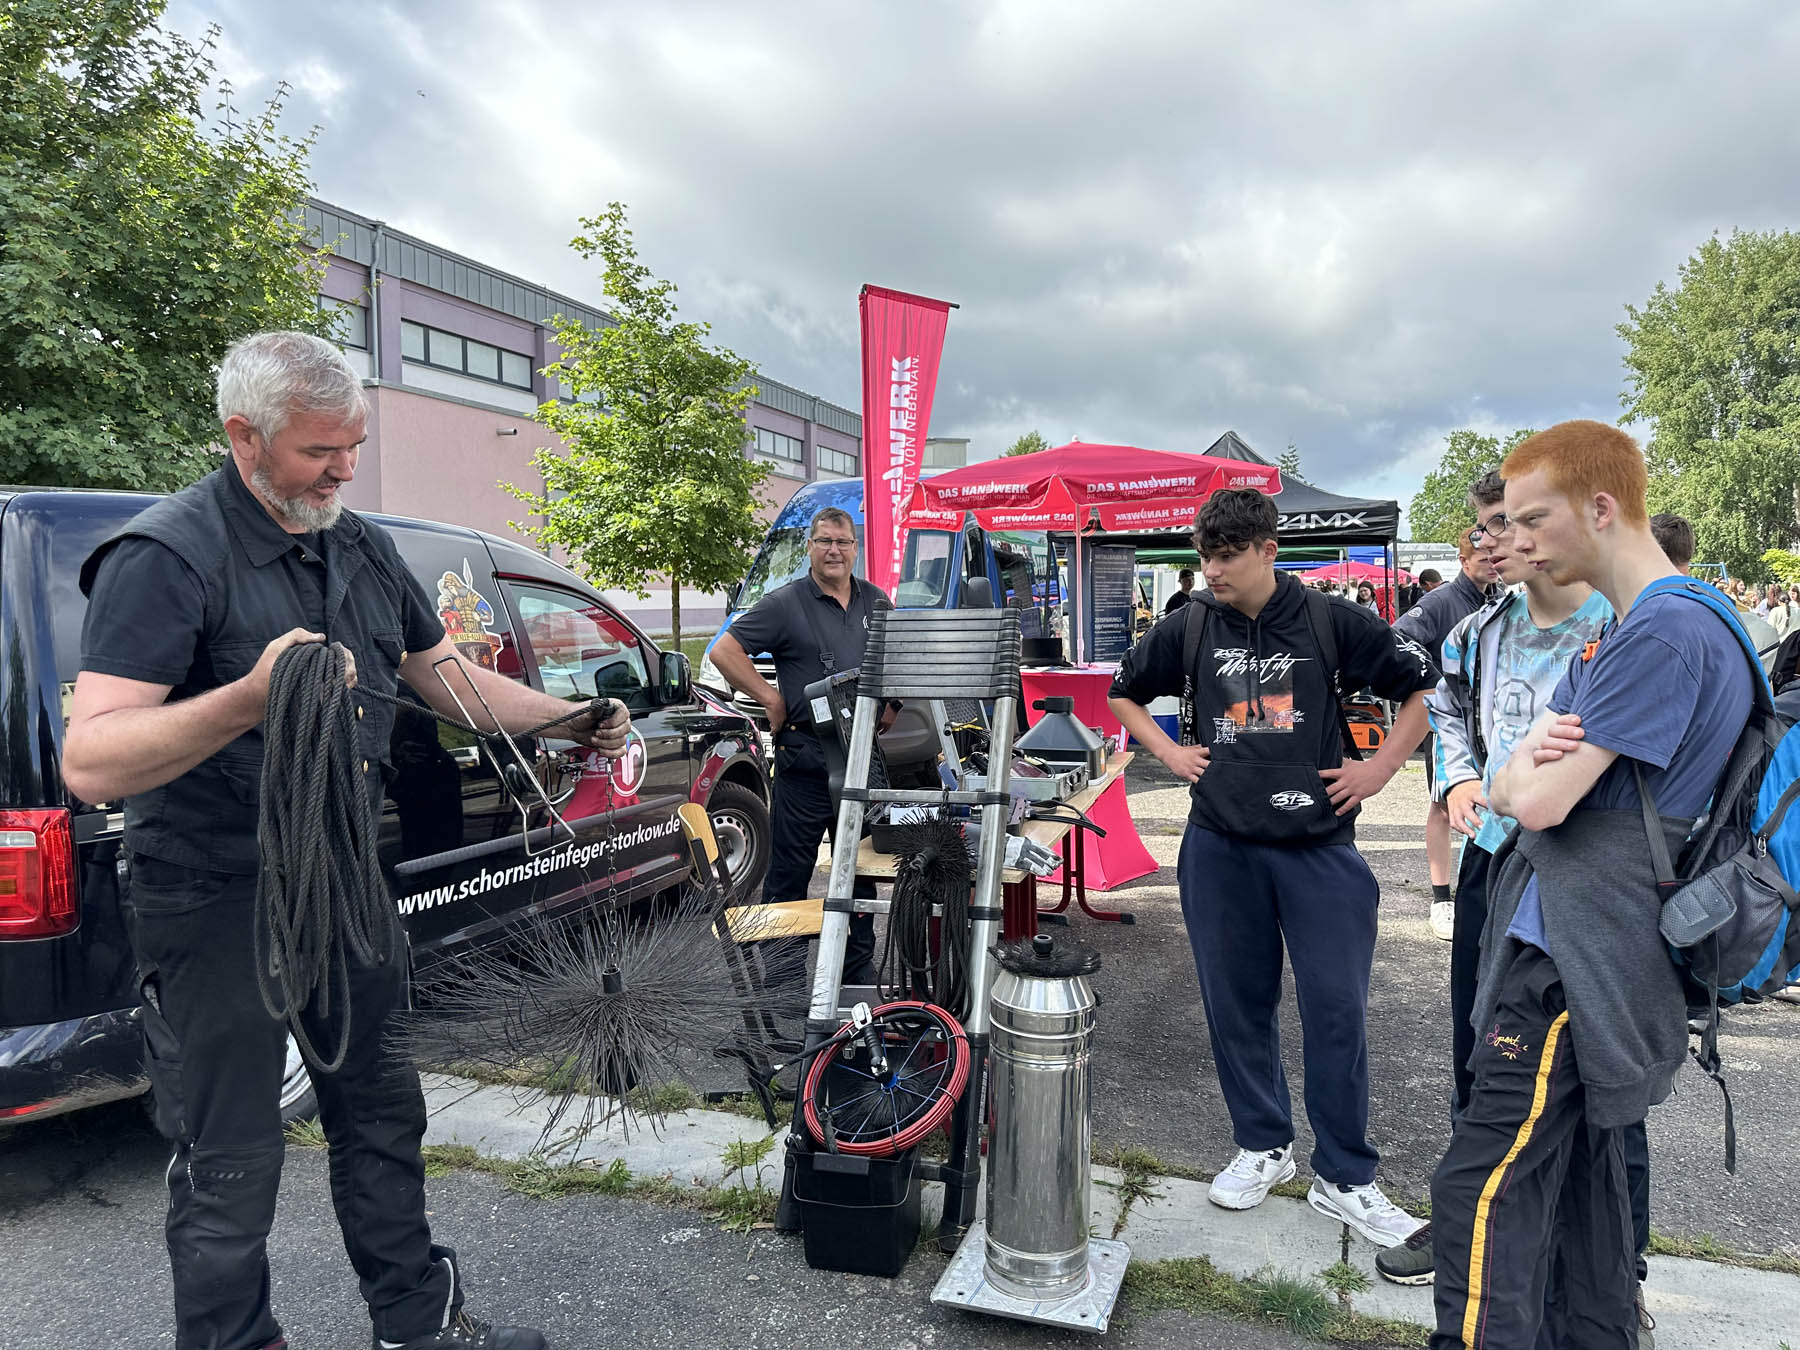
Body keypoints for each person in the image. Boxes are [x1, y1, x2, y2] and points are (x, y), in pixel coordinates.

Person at [61, 333, 630, 1350]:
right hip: (211, 894)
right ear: (246, 437)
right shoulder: (167, 557)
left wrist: (563, 718)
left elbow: (443, 677)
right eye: (321, 451)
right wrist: (245, 698)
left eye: (354, 446)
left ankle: (416, 1325)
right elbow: (94, 761)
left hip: (346, 886)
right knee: (231, 1153)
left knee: (381, 1114)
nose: (342, 469)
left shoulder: (360, 546)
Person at [1428, 421, 1753, 1349]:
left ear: (1601, 509)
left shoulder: (1659, 634)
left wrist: (1507, 773)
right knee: (1580, 1180)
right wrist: (1517, 771)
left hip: (1576, 956)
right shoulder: (1690, 618)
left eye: (1534, 518)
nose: (1513, 539)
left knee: (1480, 1185)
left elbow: (1530, 800)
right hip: (1609, 948)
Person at [1108, 488, 1439, 1248]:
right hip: (1221, 847)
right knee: (1236, 1005)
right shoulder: (1188, 623)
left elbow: (1424, 688)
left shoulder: (1330, 618)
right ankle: (1263, 1146)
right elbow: (1123, 694)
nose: (1212, 569)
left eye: (1226, 555)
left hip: (1320, 849)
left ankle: (1346, 1175)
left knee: (1336, 1011)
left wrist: (1383, 766)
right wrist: (1166, 751)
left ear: (1267, 549)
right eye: (1205, 554)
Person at [1376, 469, 1613, 1291]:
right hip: (1492, 867)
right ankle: (1465, 1221)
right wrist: (1457, 780)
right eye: (1484, 527)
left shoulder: (1623, 628)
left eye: (1510, 523)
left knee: (1597, 1074)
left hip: (1591, 886)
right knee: (1477, 1049)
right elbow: (1442, 710)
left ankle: (1608, 1267)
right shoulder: (1473, 634)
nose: (1493, 542)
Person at [708, 506, 896, 985]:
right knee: (789, 879)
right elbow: (723, 650)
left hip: (859, 764)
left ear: (856, 549)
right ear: (810, 547)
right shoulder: (785, 603)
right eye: (824, 541)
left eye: (843, 542)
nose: (834, 550)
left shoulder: (877, 602)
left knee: (858, 874)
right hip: (805, 763)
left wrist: (889, 708)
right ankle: (783, 984)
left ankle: (855, 979)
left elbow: (895, 663)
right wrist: (771, 698)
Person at [1394, 525, 1498, 942]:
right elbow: (1399, 638)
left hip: (1492, 726)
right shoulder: (1440, 601)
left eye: (1495, 557)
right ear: (1463, 561)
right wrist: (1439, 682)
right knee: (1442, 805)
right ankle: (1441, 899)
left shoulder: (1503, 600)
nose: (1491, 563)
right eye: (1482, 559)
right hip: (1450, 723)